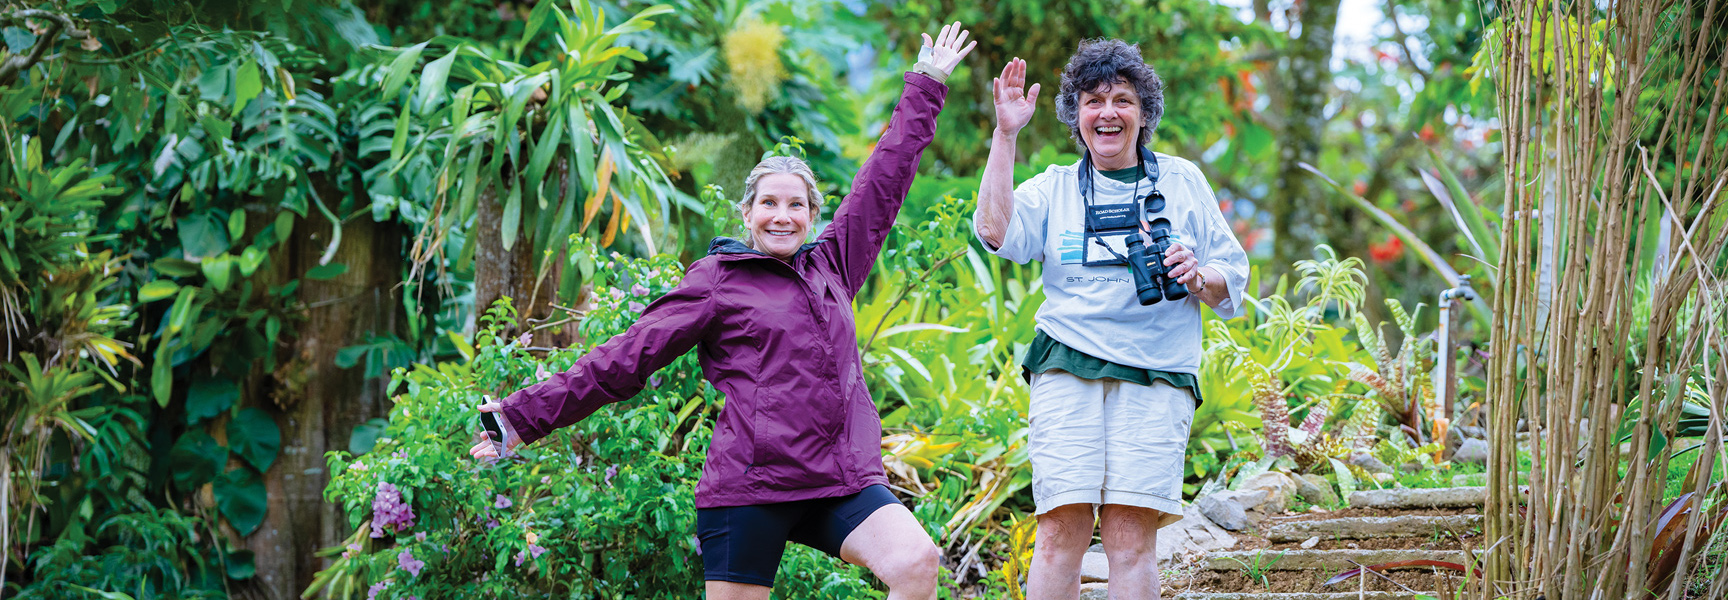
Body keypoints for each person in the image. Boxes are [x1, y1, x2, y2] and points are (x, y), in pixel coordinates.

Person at [467, 23, 976, 600]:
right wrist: (520, 416)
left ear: (813, 214)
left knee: (916, 562)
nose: (781, 216)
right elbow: (622, 359)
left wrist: (927, 83)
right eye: (768, 204)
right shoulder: (716, 283)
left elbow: (885, 176)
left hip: (839, 479)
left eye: (795, 205)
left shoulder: (834, 263)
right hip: (750, 488)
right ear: (747, 213)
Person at [972, 39, 1250, 599]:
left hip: (1158, 372)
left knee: (1130, 541)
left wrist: (1196, 276)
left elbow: (1233, 275)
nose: (1108, 112)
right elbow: (995, 232)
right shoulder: (1052, 186)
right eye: (1093, 100)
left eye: (1122, 99)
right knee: (1058, 533)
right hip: (1068, 365)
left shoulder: (1182, 180)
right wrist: (1005, 135)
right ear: (1076, 115)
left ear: (1143, 113)